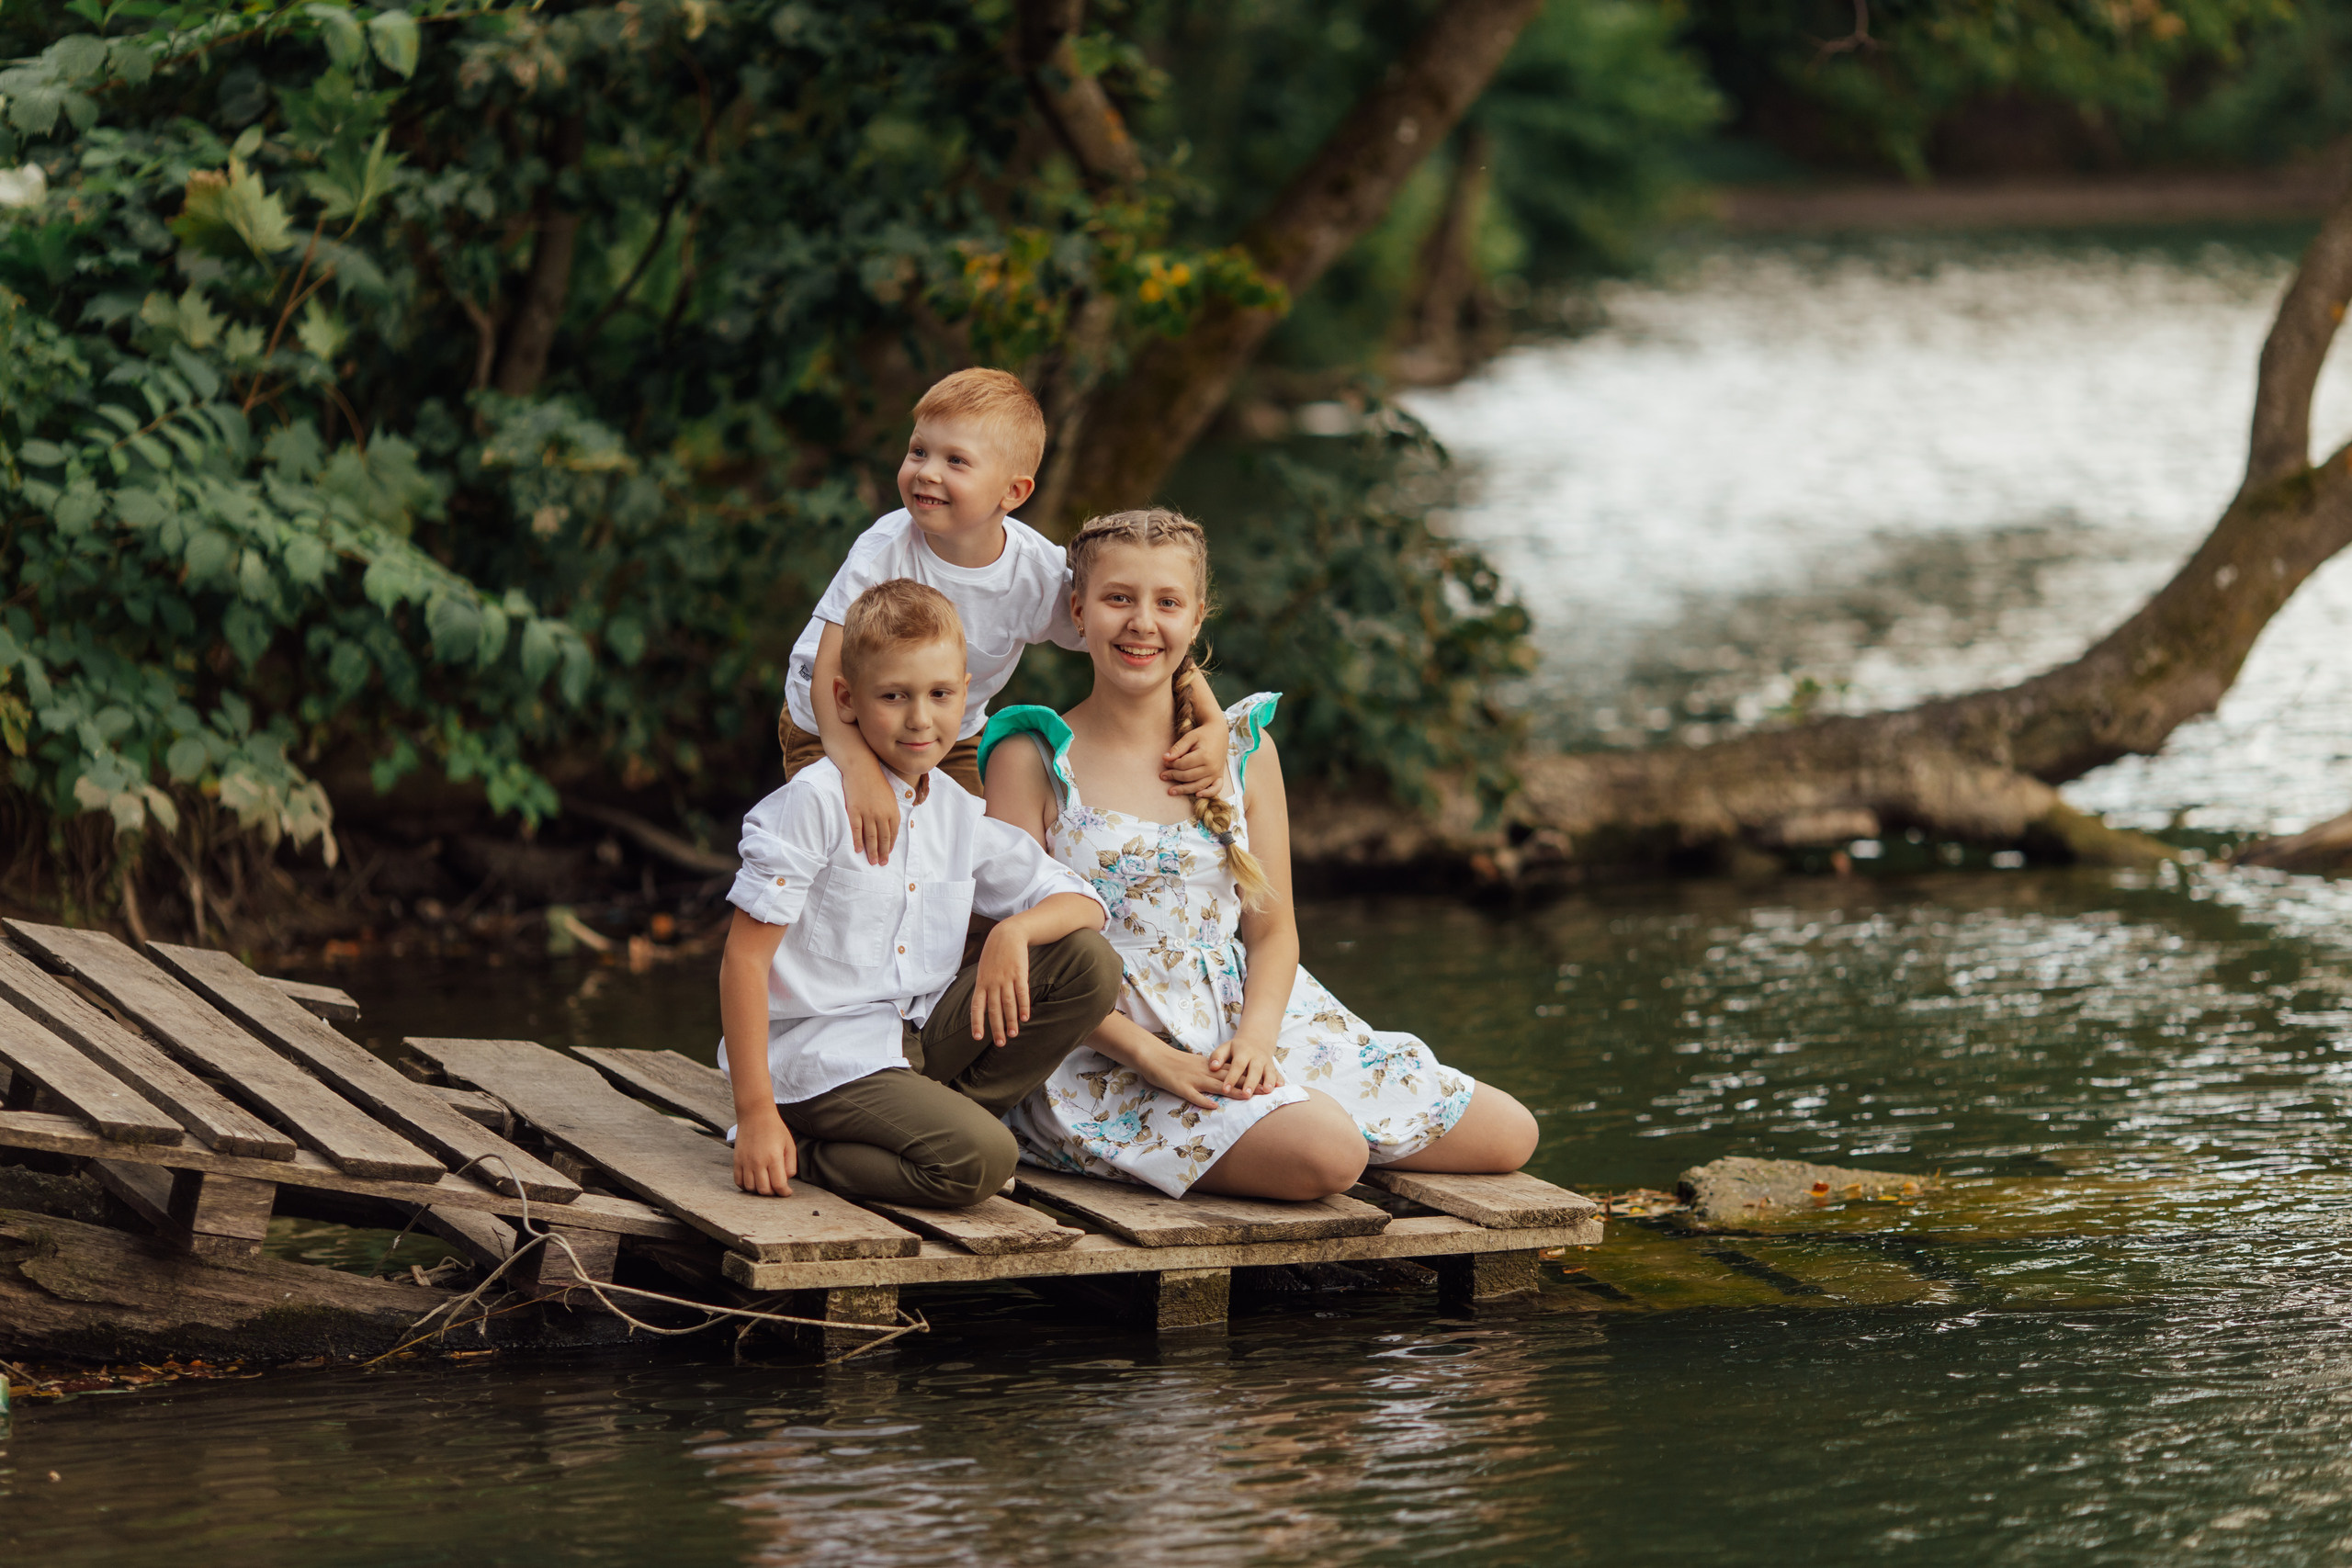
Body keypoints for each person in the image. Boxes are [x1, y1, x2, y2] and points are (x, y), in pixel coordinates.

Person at [979, 509, 1540, 1201]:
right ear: (1078, 609)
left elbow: (1273, 932)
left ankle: (1282, 1122)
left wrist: (1256, 1041)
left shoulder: (1245, 751)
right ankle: (1265, 1135)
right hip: (1103, 1049)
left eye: (1167, 603)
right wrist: (1154, 1058)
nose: (1141, 622)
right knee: (1331, 1152)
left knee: (1507, 1135)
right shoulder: (1031, 756)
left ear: (1196, 617)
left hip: (1250, 1019)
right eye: (1118, 598)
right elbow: (1026, 964)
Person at [720, 579, 1123, 1206]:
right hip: (821, 1059)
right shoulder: (815, 802)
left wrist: (1014, 931)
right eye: (893, 696)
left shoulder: (957, 812)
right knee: (983, 1160)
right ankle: (810, 1149)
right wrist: (755, 1114)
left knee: (1087, 962)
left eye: (939, 694)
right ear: (846, 699)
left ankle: (948, 1120)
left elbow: (1083, 902)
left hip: (917, 1038)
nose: (919, 718)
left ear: (965, 693)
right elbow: (744, 960)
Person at [779, 367, 1228, 867]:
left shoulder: (1035, 575)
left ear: (1013, 492)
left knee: (965, 860)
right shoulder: (884, 550)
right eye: (919, 451)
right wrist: (859, 770)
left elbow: (1135, 639)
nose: (927, 472)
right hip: (832, 724)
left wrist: (1212, 722)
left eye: (956, 461)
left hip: (946, 736)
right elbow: (829, 672)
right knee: (855, 857)